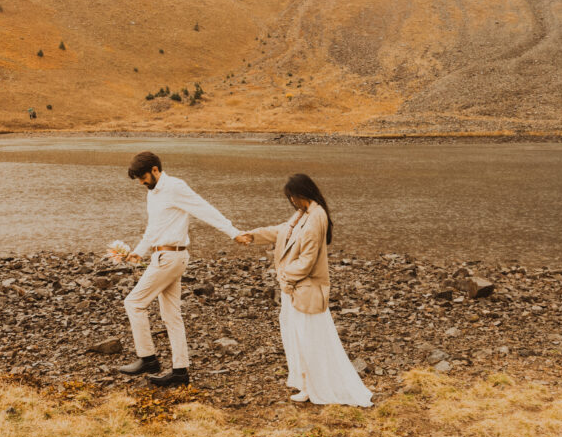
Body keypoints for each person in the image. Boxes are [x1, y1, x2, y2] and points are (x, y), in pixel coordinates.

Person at [236, 174, 372, 406]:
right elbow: (282, 232)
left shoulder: (314, 218)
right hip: (298, 289)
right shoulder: (305, 214)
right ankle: (308, 384)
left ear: (300, 195)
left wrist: (285, 277)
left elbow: (307, 261)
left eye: (291, 197)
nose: (291, 202)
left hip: (303, 290)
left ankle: (316, 386)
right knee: (300, 337)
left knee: (308, 339)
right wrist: (253, 235)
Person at [118, 151, 243, 387]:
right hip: (163, 255)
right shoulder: (153, 194)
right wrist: (138, 252)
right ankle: (180, 372)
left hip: (170, 257)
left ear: (155, 169)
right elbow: (153, 228)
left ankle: (147, 358)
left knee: (133, 303)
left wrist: (233, 232)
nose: (142, 183)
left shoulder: (175, 187)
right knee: (172, 316)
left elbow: (204, 209)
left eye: (143, 177)